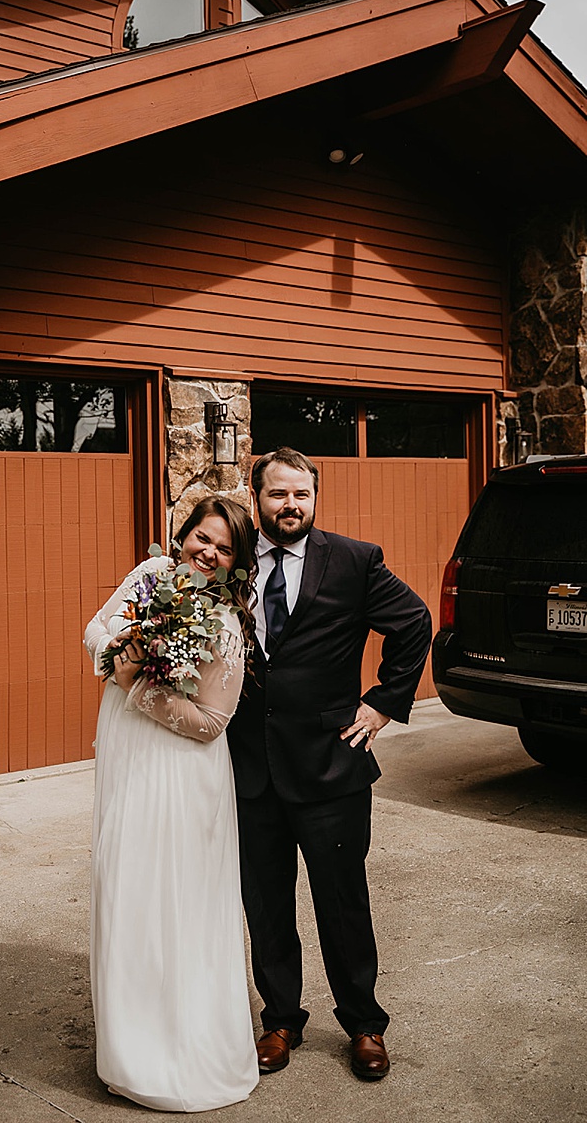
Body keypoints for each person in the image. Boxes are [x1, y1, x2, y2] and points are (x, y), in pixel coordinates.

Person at [228, 447, 432, 1083]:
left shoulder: (353, 560)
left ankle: (365, 1024)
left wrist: (380, 706)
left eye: (301, 495)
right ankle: (281, 1019)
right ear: (255, 497)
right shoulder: (231, 561)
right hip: (252, 768)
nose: (291, 505)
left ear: (314, 498)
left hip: (330, 766)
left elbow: (415, 623)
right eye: (277, 494)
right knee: (265, 902)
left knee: (342, 901)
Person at [81, 496, 261, 1112]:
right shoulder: (149, 575)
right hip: (127, 757)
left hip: (181, 775)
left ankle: (178, 1050)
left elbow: (212, 721)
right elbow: (95, 629)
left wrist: (134, 682)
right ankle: (128, 1046)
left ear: (236, 562)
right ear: (181, 535)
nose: (206, 553)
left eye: (223, 547)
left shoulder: (228, 621)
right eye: (200, 538)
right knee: (127, 890)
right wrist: (119, 650)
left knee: (175, 900)